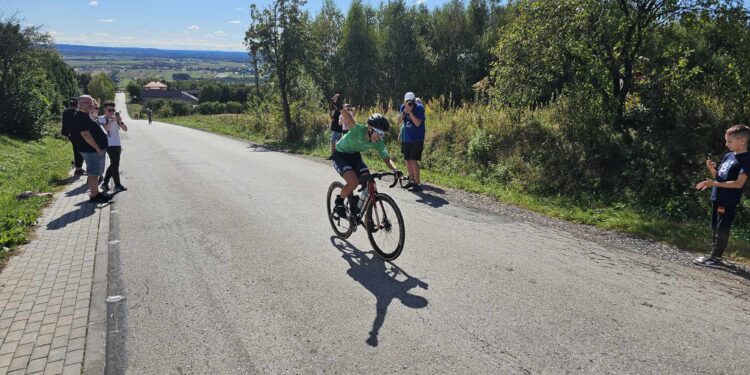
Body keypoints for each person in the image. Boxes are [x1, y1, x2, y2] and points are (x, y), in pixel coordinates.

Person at [694, 124, 750, 267]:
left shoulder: (746, 159)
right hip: (717, 197)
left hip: (728, 201)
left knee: (722, 229)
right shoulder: (728, 156)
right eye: (726, 141)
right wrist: (712, 170)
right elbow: (720, 177)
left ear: (742, 140)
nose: (726, 144)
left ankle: (716, 258)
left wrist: (714, 184)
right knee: (715, 227)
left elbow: (738, 183)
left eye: (730, 141)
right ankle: (714, 256)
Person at [331, 105, 401, 218]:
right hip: (340, 155)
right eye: (377, 133)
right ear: (369, 128)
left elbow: (387, 159)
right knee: (353, 182)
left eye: (382, 134)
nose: (379, 137)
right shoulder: (358, 130)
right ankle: (339, 202)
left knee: (368, 180)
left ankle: (360, 210)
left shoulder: (378, 142)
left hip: (355, 156)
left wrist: (395, 169)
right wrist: (340, 107)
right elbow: (349, 118)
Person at [71, 95, 110, 203]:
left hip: (93, 149)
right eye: (86, 103)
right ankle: (94, 196)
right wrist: (97, 148)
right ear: (80, 104)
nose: (90, 104)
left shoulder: (86, 114)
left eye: (91, 103)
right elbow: (85, 134)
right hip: (91, 150)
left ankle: (96, 193)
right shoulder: (80, 116)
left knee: (95, 173)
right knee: (93, 174)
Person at [397, 92, 426, 191]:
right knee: (407, 160)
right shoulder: (403, 107)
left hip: (417, 139)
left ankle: (417, 183)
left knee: (413, 161)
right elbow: (398, 120)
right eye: (406, 102)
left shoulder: (419, 108)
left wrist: (410, 112)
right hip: (407, 138)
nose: (409, 104)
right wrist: (405, 111)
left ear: (414, 101)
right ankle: (411, 180)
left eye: (410, 102)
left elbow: (418, 123)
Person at [99, 100, 128, 192]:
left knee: (114, 164)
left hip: (117, 144)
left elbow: (125, 129)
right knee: (115, 164)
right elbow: (105, 129)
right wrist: (111, 121)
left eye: (113, 110)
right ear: (105, 110)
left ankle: (105, 183)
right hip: (109, 144)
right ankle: (117, 185)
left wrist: (120, 122)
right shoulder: (102, 119)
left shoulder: (116, 118)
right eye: (109, 110)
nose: (111, 112)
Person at [61, 97, 85, 175]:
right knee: (80, 150)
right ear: (77, 104)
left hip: (70, 134)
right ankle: (78, 169)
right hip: (78, 134)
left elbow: (64, 123)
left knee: (76, 149)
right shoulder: (77, 112)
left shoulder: (65, 112)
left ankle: (77, 166)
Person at [327, 94, 343, 160]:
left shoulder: (338, 107)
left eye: (335, 97)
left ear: (338, 98)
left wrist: (330, 114)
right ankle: (338, 156)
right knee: (338, 142)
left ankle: (333, 155)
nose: (333, 97)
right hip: (339, 127)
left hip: (336, 127)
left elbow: (333, 119)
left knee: (333, 141)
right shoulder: (338, 106)